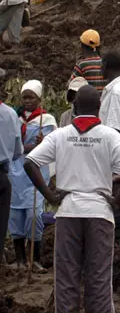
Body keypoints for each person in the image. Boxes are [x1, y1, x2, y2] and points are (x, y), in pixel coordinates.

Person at [24, 85, 120, 313]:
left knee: (66, 276)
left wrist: (50, 194)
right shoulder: (109, 136)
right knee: (98, 277)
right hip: (99, 212)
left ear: (74, 108)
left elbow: (30, 162)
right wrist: (117, 200)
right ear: (99, 108)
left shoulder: (61, 135)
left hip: (68, 211)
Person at [7, 80, 56, 272]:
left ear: (39, 99)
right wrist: (29, 147)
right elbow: (11, 145)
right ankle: (19, 258)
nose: (27, 101)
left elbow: (50, 146)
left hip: (34, 173)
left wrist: (42, 144)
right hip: (15, 172)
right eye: (25, 97)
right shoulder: (14, 118)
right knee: (15, 215)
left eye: (31, 98)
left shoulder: (47, 120)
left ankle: (34, 258)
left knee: (34, 215)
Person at [98, 52, 120, 132]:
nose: (100, 68)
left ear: (105, 65)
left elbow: (116, 128)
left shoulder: (116, 92)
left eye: (101, 65)